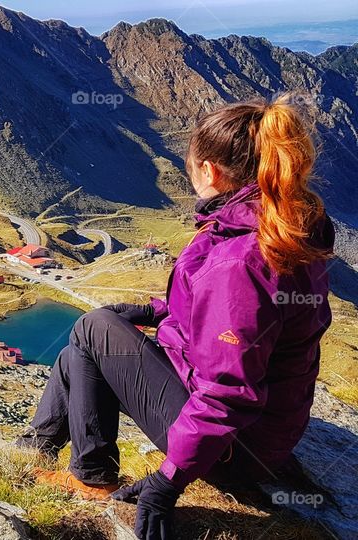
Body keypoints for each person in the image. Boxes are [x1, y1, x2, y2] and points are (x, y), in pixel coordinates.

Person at [18, 94, 334, 539]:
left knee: (92, 328)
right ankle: (34, 450)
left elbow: (228, 393)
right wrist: (154, 310)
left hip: (233, 452)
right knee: (83, 351)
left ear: (210, 171)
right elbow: (233, 313)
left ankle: (92, 477)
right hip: (264, 433)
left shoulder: (241, 258)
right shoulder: (281, 223)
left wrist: (166, 483)